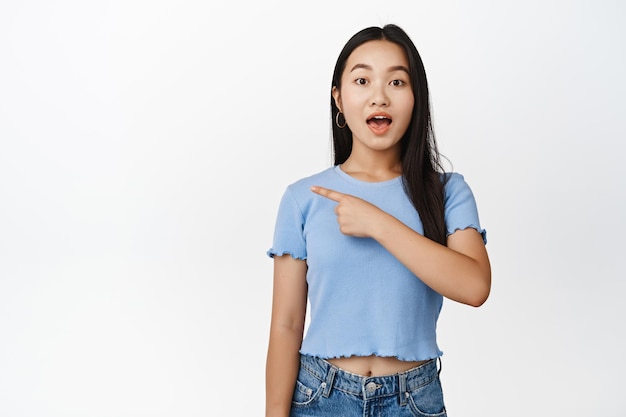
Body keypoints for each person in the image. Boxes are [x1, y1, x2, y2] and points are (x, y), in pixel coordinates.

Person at [265, 24, 491, 417]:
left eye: (397, 82)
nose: (379, 97)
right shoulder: (303, 198)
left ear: (416, 97)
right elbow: (286, 325)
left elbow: (474, 287)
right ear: (339, 97)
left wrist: (378, 223)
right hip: (320, 396)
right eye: (362, 80)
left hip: (413, 400)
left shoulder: (447, 191)